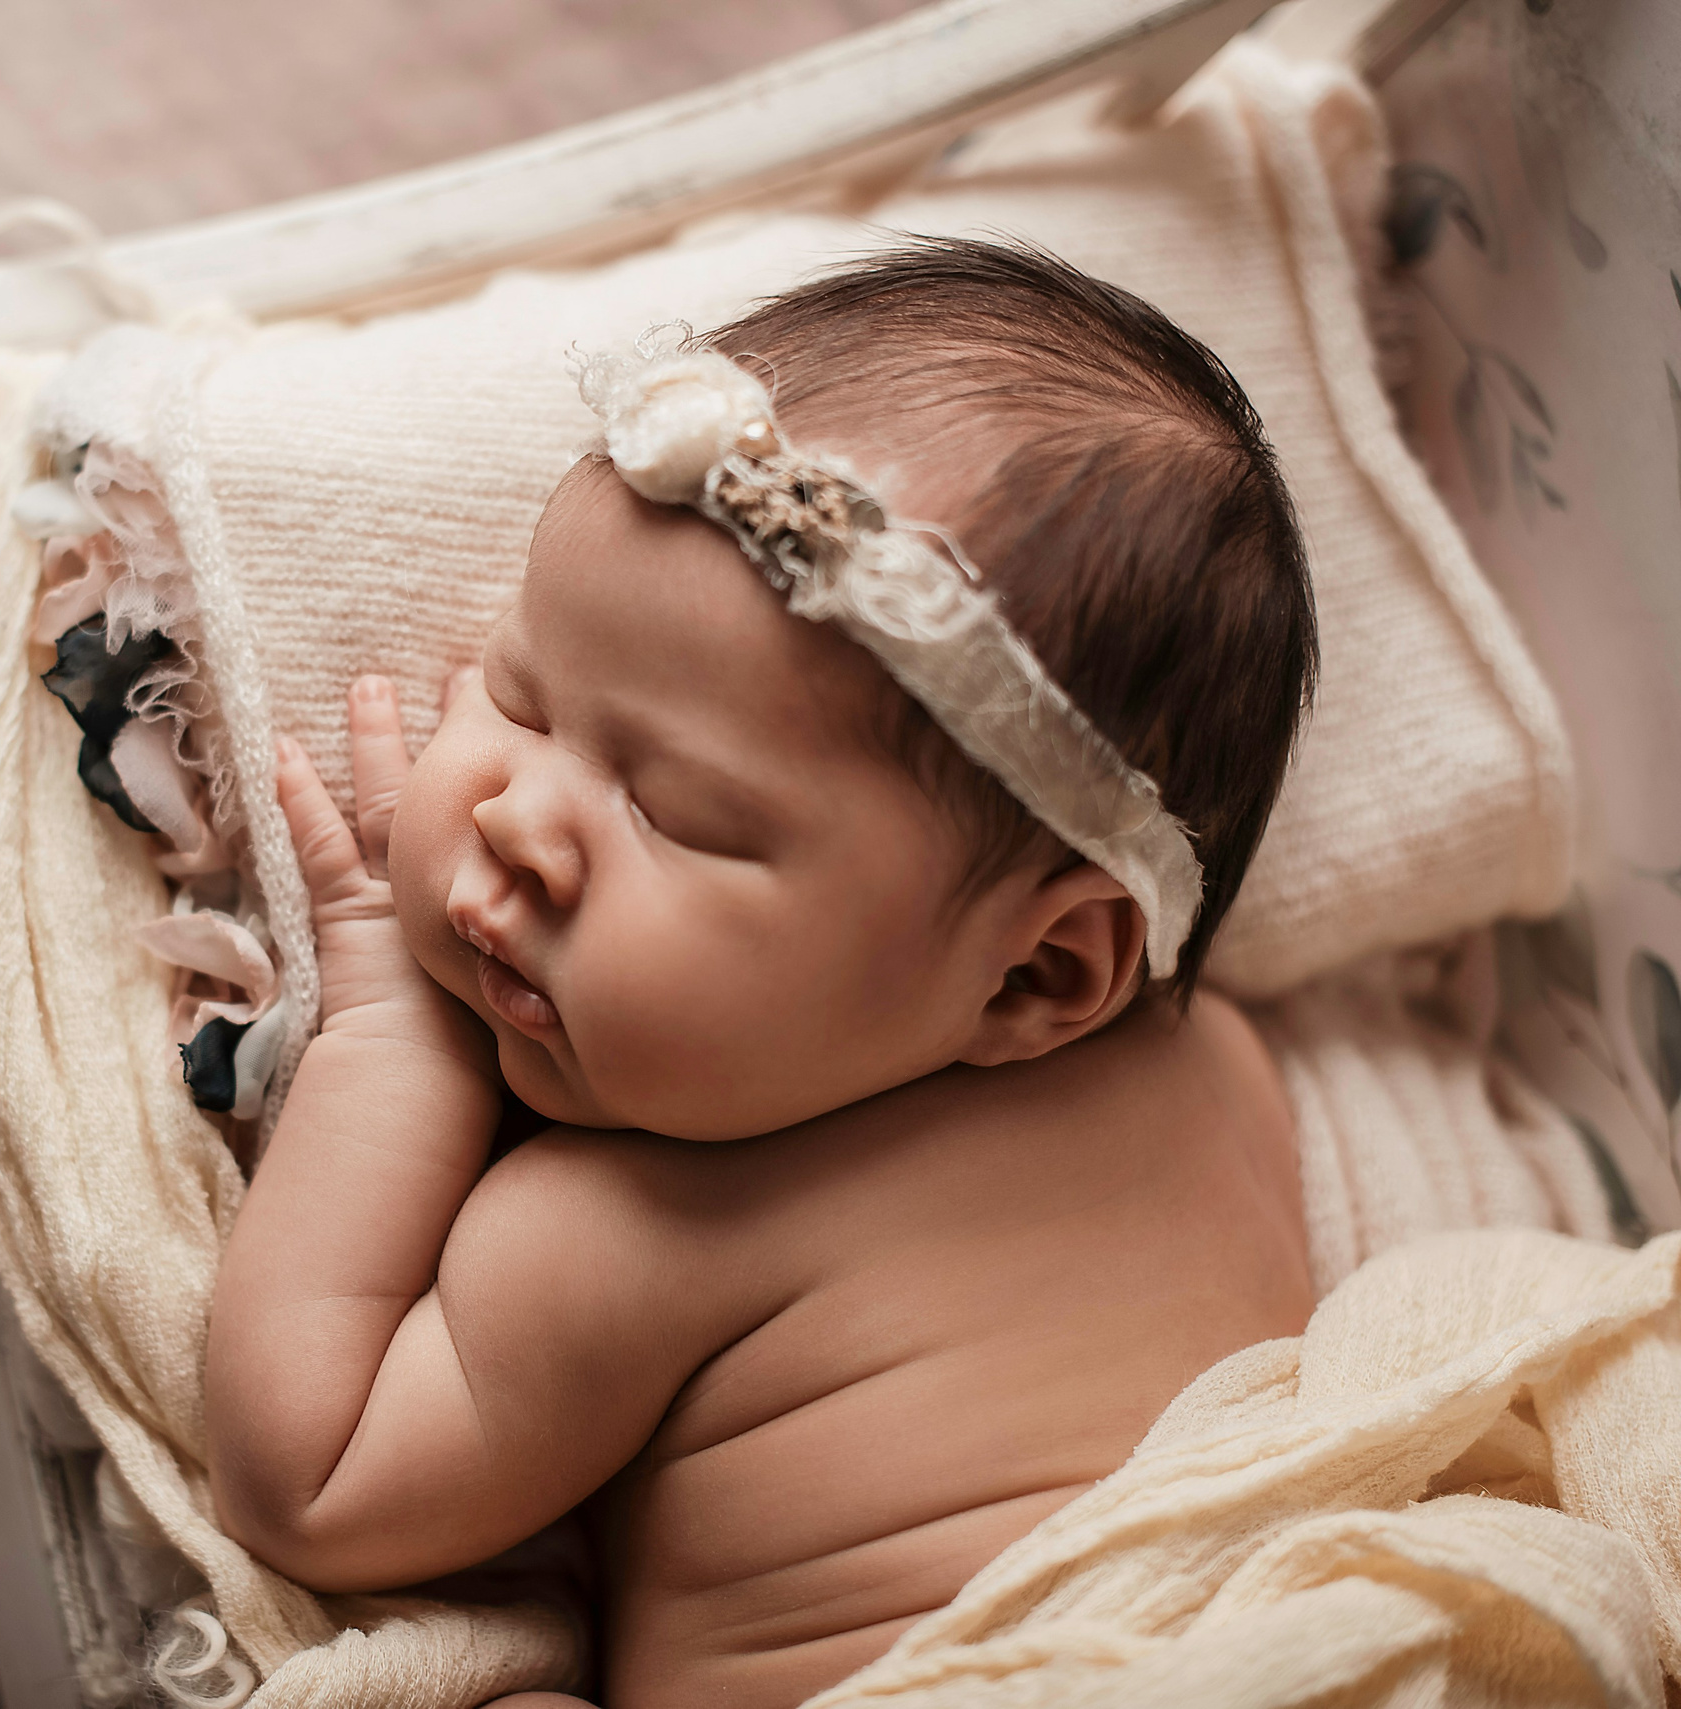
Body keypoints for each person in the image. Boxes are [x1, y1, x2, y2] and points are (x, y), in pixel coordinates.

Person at [203, 239, 1321, 1708]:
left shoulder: (636, 1223)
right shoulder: (1228, 1066)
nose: (515, 818)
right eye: (521, 695)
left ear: (1038, 975)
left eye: (679, 815)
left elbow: (304, 1479)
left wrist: (388, 1033)